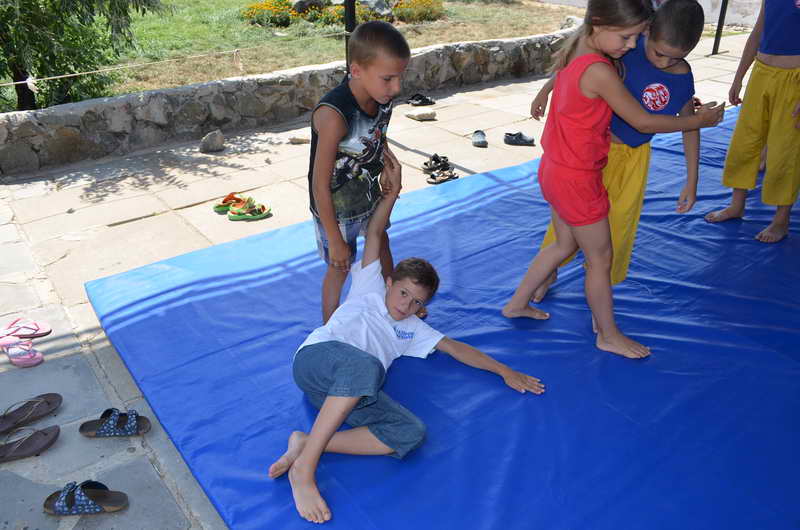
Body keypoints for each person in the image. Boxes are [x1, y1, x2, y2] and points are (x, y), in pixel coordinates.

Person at [269, 149, 546, 524]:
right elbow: (375, 232)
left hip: (346, 395)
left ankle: (306, 442)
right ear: (389, 282)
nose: (406, 305)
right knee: (367, 367)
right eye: (403, 293)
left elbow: (456, 348)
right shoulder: (368, 288)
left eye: (416, 302)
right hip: (318, 363)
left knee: (409, 433)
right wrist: (392, 194)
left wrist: (503, 371)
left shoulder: (412, 328)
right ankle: (305, 471)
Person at [501, 0, 724, 359]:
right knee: (601, 258)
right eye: (628, 37)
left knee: (563, 244)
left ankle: (516, 304)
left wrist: (692, 175)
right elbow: (645, 122)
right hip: (580, 177)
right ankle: (607, 332)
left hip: (557, 168)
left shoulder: (586, 56)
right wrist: (700, 121)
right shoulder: (603, 69)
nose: (631, 46)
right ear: (602, 25)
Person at [529, 0, 706, 301]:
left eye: (676, 58)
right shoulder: (626, 48)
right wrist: (546, 89)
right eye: (659, 53)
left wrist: (692, 179)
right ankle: (548, 273)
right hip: (595, 154)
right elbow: (576, 67)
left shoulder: (680, 75)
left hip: (634, 160)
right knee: (569, 223)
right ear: (648, 32)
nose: (663, 63)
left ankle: (601, 287)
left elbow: (690, 125)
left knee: (619, 225)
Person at [308, 21, 410, 323]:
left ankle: (393, 302)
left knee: (383, 243)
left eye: (400, 77)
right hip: (335, 212)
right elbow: (319, 185)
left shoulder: (382, 98)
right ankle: (330, 329)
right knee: (340, 265)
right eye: (388, 79)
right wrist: (334, 238)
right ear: (356, 70)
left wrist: (388, 162)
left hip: (368, 197)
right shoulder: (334, 115)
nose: (397, 88)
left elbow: (376, 134)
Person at [704, 0, 800, 243]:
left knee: (784, 150)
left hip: (794, 81)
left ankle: (781, 220)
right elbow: (757, 33)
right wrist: (739, 77)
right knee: (745, 141)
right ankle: (737, 204)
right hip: (762, 72)